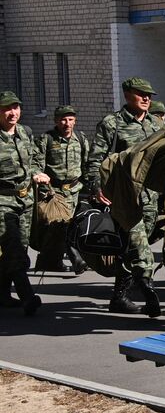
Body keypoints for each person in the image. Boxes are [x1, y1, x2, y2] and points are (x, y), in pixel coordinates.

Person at [86, 76, 165, 316]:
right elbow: (95, 158)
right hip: (125, 196)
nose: (147, 99)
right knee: (138, 242)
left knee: (134, 244)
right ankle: (148, 288)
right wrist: (96, 187)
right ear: (128, 94)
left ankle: (119, 296)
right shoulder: (113, 123)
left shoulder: (155, 124)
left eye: (149, 95)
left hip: (150, 197)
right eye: (142, 94)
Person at [0, 91, 47, 315]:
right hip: (2, 201)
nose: (13, 113)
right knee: (14, 249)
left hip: (25, 199)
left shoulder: (25, 132)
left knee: (20, 247)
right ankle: (28, 297)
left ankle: (2, 295)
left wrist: (38, 173)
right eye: (7, 108)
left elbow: (34, 159)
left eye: (16, 107)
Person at [36, 105, 91, 272]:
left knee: (61, 229)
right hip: (54, 192)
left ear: (75, 121)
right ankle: (77, 259)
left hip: (74, 191)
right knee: (63, 225)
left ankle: (49, 261)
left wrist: (93, 188)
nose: (67, 123)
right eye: (63, 119)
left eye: (70, 119)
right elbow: (37, 164)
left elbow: (87, 165)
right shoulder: (47, 139)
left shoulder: (80, 139)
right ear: (56, 121)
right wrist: (41, 180)